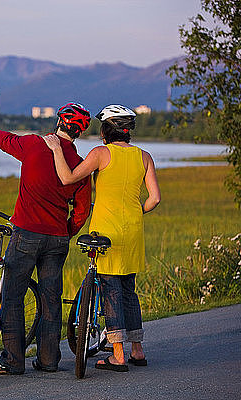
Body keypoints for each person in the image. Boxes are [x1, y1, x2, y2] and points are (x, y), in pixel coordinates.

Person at [43, 104, 161, 372]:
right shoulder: (144, 157)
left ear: (107, 130)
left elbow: (67, 178)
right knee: (128, 289)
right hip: (133, 229)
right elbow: (155, 199)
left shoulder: (100, 153)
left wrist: (56, 149)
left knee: (111, 289)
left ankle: (118, 354)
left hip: (106, 230)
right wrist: (135, 212)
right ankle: (137, 350)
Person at [0, 102, 93, 375]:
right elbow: (82, 209)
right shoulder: (79, 165)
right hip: (57, 239)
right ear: (79, 132)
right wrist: (67, 230)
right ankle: (48, 360)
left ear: (59, 123)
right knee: (51, 299)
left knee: (13, 296)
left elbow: (7, 140)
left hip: (26, 234)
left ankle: (14, 361)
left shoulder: (33, 145)